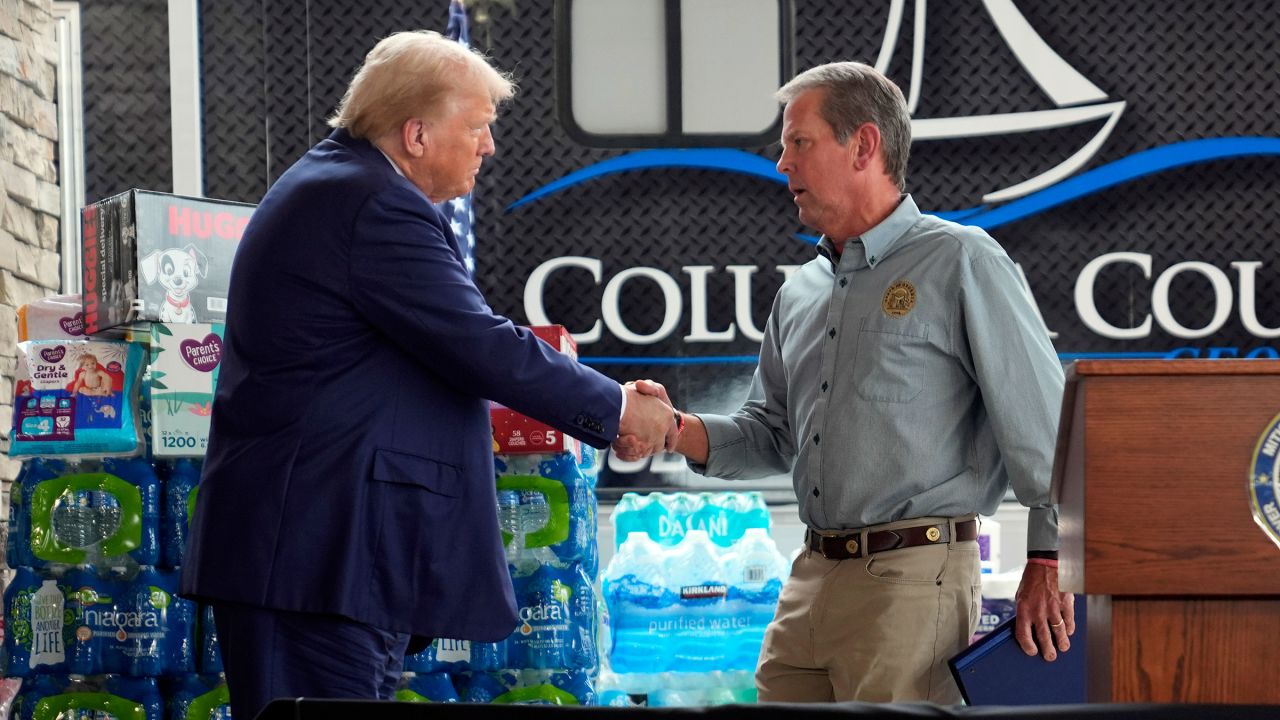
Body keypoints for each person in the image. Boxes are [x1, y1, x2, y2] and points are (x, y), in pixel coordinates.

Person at [179, 30, 675, 720]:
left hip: (330, 566)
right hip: (314, 565)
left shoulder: (347, 186)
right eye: (476, 127)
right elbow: (477, 344)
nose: (489, 146)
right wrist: (618, 409)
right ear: (415, 133)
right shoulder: (371, 203)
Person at [622, 62, 1072, 703]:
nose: (781, 165)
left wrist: (1050, 560)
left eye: (798, 143)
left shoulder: (962, 260)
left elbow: (1048, 432)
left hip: (913, 582)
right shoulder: (799, 290)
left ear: (864, 145)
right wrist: (673, 431)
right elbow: (771, 435)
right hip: (808, 578)